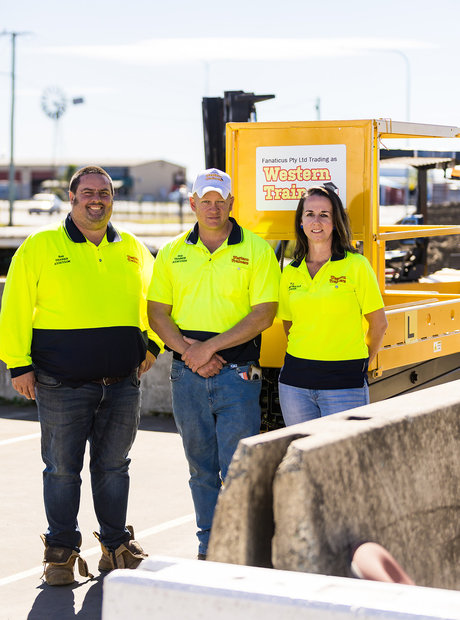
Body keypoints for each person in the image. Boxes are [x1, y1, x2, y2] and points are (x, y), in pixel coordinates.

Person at [0, 166, 163, 586]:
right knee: (60, 470)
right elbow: (15, 305)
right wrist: (18, 364)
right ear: (71, 198)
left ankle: (115, 547)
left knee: (114, 468)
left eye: (104, 193)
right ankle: (61, 554)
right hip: (60, 384)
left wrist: (153, 345)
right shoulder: (40, 246)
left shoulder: (131, 247)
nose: (97, 199)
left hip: (122, 384)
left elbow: (158, 299)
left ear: (112, 199)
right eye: (88, 192)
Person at [147, 168, 280, 559]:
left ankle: (242, 547)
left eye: (220, 201)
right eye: (205, 200)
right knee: (200, 470)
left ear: (231, 204)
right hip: (186, 376)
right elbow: (157, 313)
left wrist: (208, 349)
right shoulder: (172, 252)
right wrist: (192, 353)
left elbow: (264, 315)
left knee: (237, 469)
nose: (213, 208)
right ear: (192, 203)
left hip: (239, 376)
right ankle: (209, 546)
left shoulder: (256, 250)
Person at [278, 185, 388, 424]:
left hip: (344, 383)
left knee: (344, 460)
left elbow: (379, 324)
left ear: (335, 222)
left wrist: (361, 363)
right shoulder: (290, 272)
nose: (316, 221)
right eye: (309, 214)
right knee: (302, 458)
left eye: (324, 215)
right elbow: (289, 325)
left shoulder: (356, 265)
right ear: (300, 221)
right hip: (295, 384)